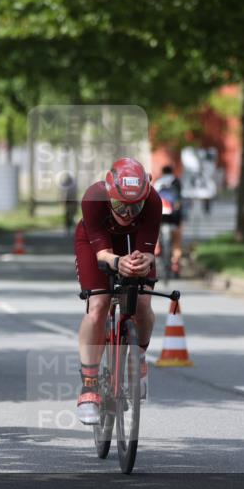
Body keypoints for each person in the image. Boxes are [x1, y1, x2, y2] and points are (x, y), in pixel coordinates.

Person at [73, 157, 161, 425]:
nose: (127, 214)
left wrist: (146, 259)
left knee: (143, 303)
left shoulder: (154, 201)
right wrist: (117, 262)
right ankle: (89, 387)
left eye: (135, 207)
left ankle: (140, 356)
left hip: (133, 244)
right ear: (109, 193)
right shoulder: (93, 198)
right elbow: (102, 255)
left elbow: (148, 250)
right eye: (120, 205)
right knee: (98, 305)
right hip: (95, 244)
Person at [153, 164, 184, 278]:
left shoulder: (157, 182)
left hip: (160, 215)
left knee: (154, 230)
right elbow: (180, 201)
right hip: (174, 216)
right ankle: (175, 262)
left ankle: (156, 248)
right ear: (172, 172)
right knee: (177, 238)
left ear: (162, 172)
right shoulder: (177, 182)